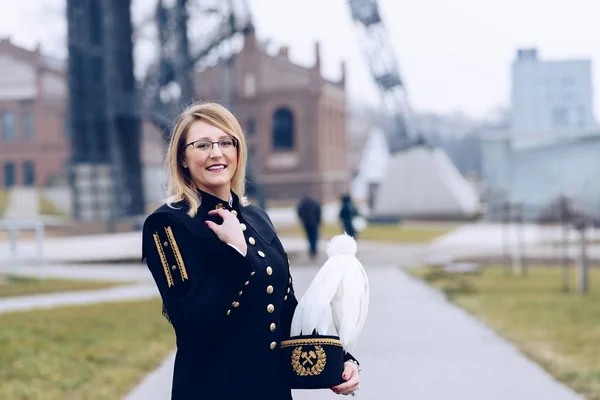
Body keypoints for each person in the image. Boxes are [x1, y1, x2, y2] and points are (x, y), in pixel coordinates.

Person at [141, 102, 360, 399]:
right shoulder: (168, 224)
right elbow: (191, 323)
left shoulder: (257, 218)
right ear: (182, 157)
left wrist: (340, 360)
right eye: (202, 144)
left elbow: (287, 311)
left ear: (238, 150)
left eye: (225, 142)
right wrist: (235, 252)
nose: (216, 153)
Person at [296, 195, 322, 260]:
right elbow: (319, 212)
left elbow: (299, 212)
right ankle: (313, 249)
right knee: (314, 236)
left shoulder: (302, 204)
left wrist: (302, 219)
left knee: (309, 237)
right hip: (314, 223)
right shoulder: (315, 203)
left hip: (306, 223)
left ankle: (311, 249)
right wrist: (318, 220)